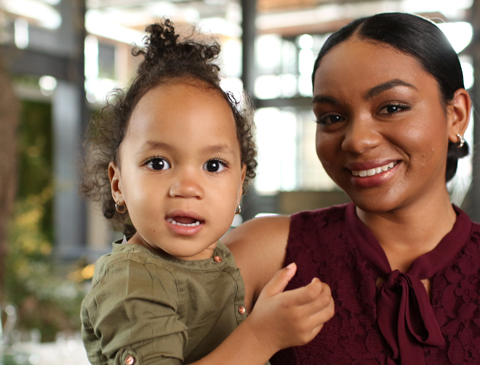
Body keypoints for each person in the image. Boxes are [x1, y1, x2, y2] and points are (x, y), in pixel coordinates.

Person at [224, 12, 480, 365]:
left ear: (457, 115)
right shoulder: (265, 256)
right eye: (333, 117)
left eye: (392, 107)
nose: (357, 140)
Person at [79, 20, 334, 365]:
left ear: (240, 184)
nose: (187, 188)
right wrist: (262, 336)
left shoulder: (215, 260)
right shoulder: (132, 280)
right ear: (118, 183)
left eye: (213, 166)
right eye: (158, 163)